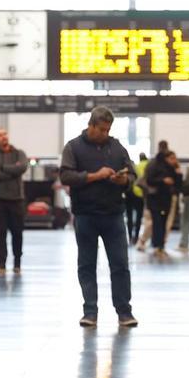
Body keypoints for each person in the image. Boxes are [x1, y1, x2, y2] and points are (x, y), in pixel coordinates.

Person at [59, 107, 137, 329]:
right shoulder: (73, 147)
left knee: (120, 264)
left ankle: (124, 312)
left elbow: (132, 173)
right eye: (102, 129)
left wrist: (124, 180)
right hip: (85, 215)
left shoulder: (116, 147)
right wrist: (94, 176)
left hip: (113, 215)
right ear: (91, 125)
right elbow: (65, 175)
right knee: (87, 264)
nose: (105, 133)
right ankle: (90, 312)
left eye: (108, 129)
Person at [0, 127, 28, 275]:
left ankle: (17, 264)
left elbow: (22, 167)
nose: (3, 137)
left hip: (16, 200)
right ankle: (1, 264)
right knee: (0, 233)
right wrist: (12, 172)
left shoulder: (19, 153)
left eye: (5, 134)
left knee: (17, 233)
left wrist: (1, 168)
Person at [144, 149, 182, 259]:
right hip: (155, 199)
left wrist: (178, 174)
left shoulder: (173, 169)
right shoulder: (155, 166)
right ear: (166, 158)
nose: (174, 161)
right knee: (157, 222)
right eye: (171, 158)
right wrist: (163, 181)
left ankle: (161, 245)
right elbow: (149, 180)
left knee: (164, 223)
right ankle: (157, 246)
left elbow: (178, 185)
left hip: (166, 199)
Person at [125, 152, 147, 242]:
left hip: (129, 194)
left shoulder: (129, 167)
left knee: (129, 216)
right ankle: (136, 237)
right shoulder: (143, 165)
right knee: (138, 217)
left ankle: (130, 236)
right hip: (139, 194)